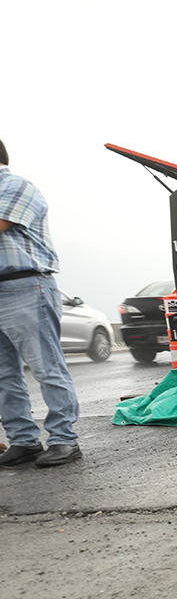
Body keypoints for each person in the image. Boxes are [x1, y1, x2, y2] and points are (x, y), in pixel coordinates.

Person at [0, 139, 84, 468]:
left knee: (46, 368)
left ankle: (64, 439)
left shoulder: (16, 186)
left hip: (24, 286)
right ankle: (23, 441)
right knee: (4, 374)